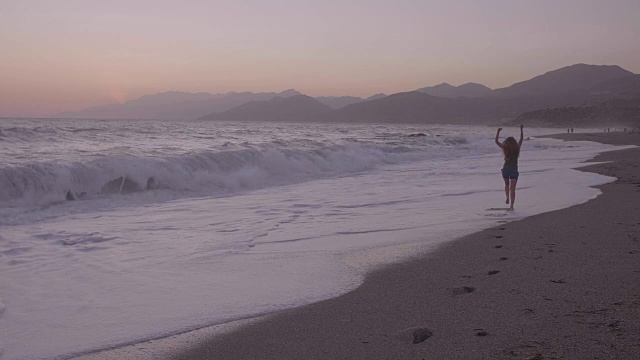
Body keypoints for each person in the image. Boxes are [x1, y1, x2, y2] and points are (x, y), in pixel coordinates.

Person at [495, 125, 524, 210]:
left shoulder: (505, 148)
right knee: (513, 188)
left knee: (506, 185)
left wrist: (498, 132)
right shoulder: (517, 149)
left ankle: (507, 197)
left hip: (506, 170)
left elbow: (496, 142)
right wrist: (521, 129)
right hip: (514, 170)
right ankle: (511, 205)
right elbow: (521, 139)